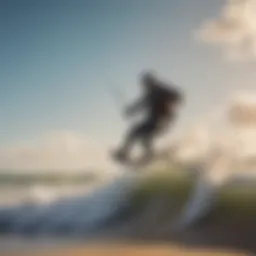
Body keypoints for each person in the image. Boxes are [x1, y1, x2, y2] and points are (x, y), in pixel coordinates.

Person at [113, 71, 184, 164]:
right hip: (153, 121)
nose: (145, 87)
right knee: (139, 134)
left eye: (146, 84)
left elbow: (178, 95)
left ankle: (141, 155)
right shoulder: (149, 94)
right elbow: (139, 104)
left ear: (151, 82)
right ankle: (145, 155)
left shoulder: (161, 90)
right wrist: (130, 110)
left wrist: (170, 101)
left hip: (162, 121)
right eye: (144, 85)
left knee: (138, 133)